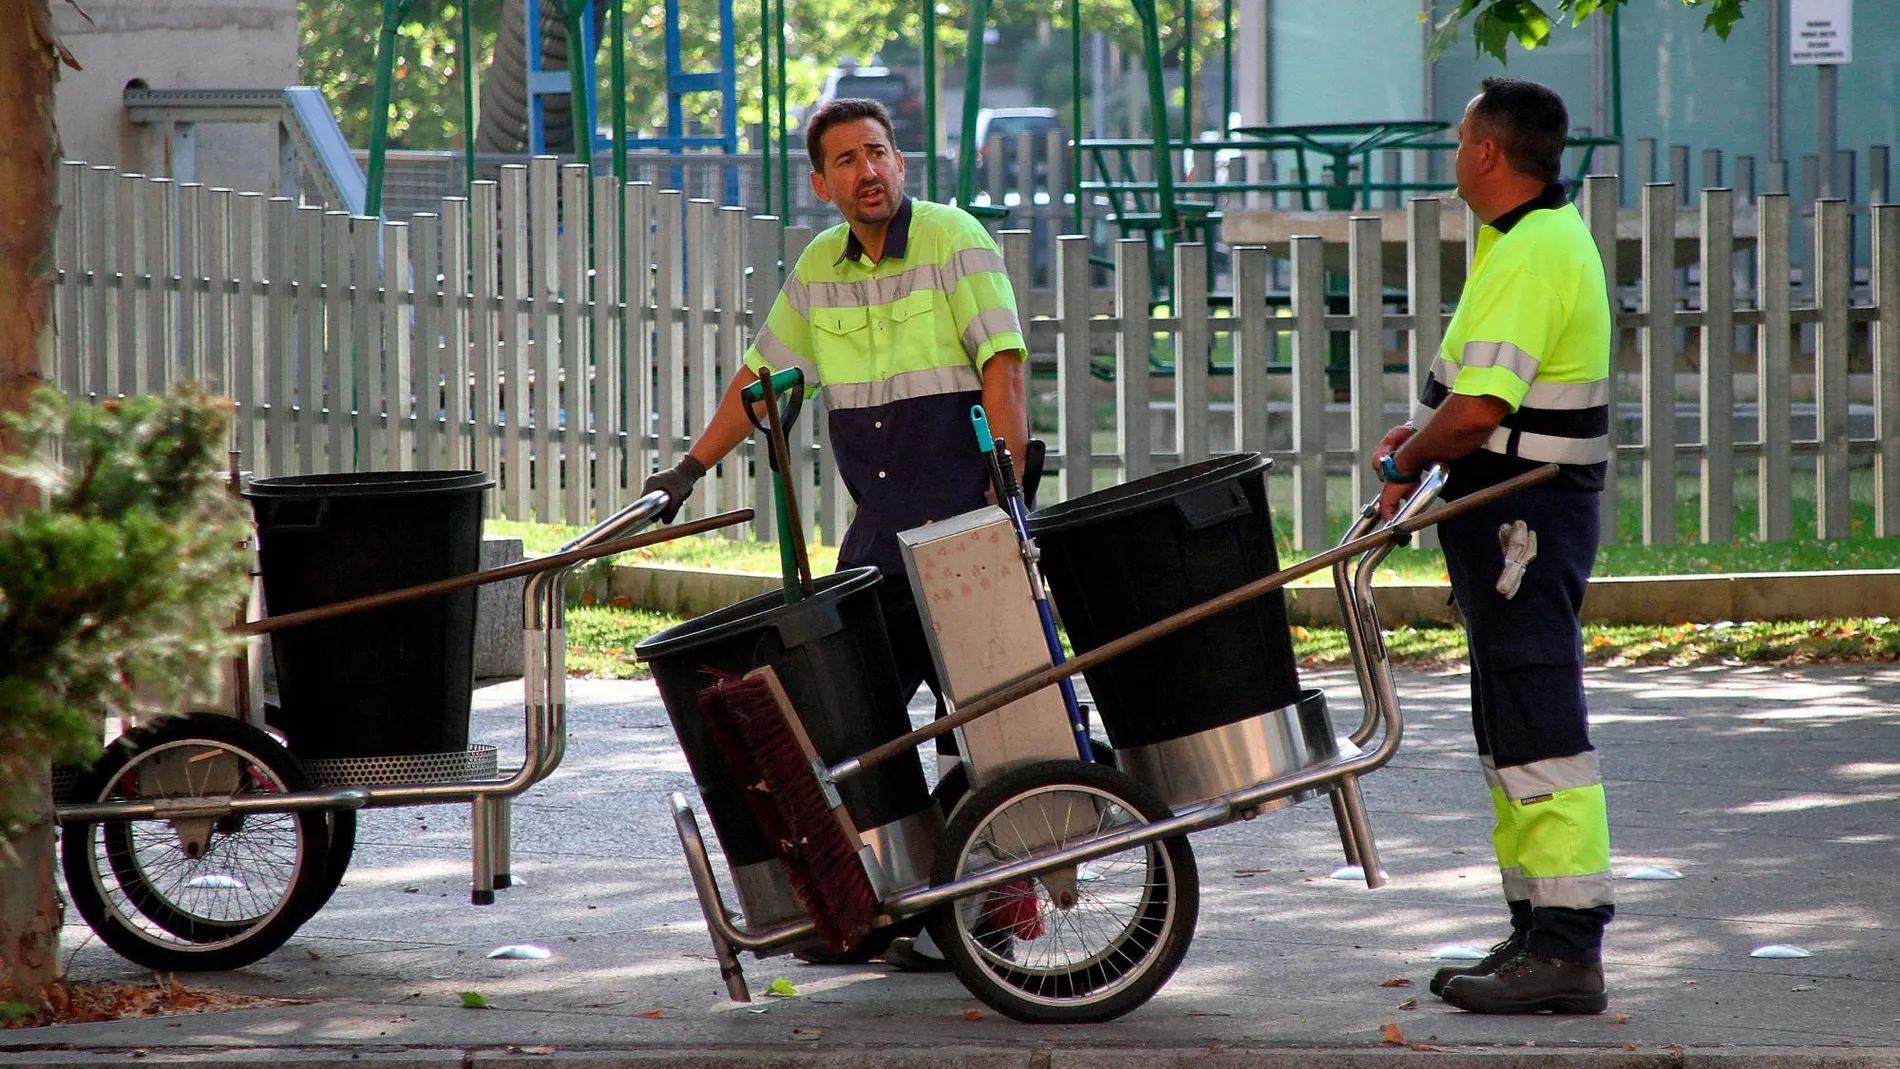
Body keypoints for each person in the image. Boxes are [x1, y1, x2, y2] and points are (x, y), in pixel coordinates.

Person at [641, 98, 1030, 971]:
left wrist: (1008, 500)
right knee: (854, 732)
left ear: (901, 162)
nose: (869, 172)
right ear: (823, 183)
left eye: (880, 153)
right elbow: (763, 379)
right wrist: (688, 469)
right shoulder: (821, 267)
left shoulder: (953, 238)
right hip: (879, 541)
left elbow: (1002, 369)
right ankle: (882, 910)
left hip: (967, 530)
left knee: (987, 730)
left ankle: (993, 918)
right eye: (848, 160)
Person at [1372, 77, 1614, 1015]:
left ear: (1485, 152)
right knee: (1510, 725)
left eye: (1459, 135)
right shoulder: (1520, 240)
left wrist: (1413, 458)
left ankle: (1563, 947)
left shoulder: (1533, 250)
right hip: (1513, 514)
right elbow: (1461, 397)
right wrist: (1415, 438)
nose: (1453, 148)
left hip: (1526, 517)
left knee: (1538, 722)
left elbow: (1476, 415)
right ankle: (1536, 928)